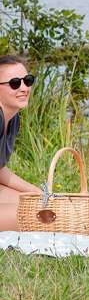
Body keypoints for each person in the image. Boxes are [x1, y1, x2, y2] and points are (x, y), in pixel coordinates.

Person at [0, 55, 40, 231]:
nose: (24, 88)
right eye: (15, 83)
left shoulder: (13, 118)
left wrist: (35, 191)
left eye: (27, 80)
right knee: (39, 216)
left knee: (40, 204)